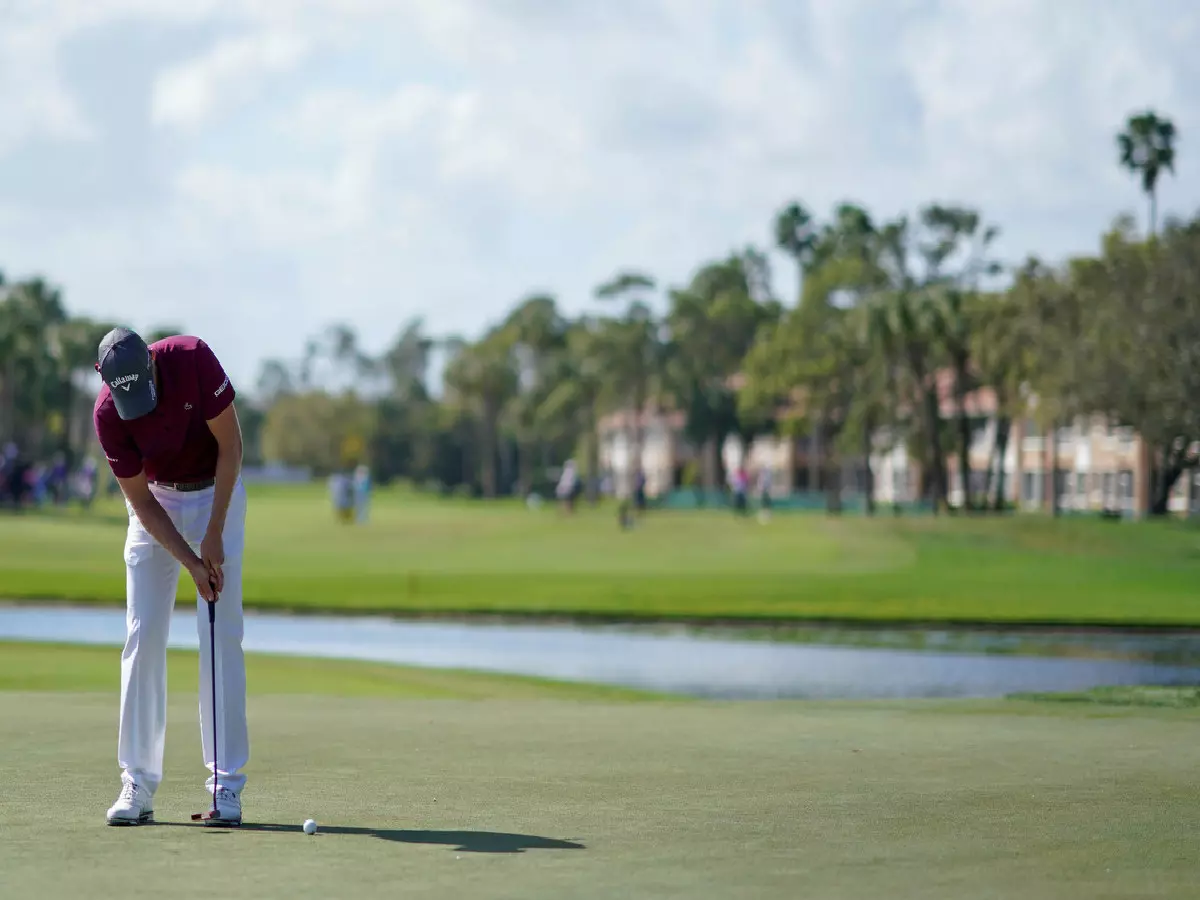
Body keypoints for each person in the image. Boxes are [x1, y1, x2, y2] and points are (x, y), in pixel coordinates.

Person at [92, 328, 248, 828]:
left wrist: (215, 532)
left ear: (155, 366)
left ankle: (226, 787)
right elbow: (141, 502)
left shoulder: (192, 358)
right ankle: (137, 781)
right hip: (156, 502)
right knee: (143, 633)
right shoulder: (107, 415)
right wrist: (190, 561)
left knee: (220, 631)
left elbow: (232, 446)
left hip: (214, 492)